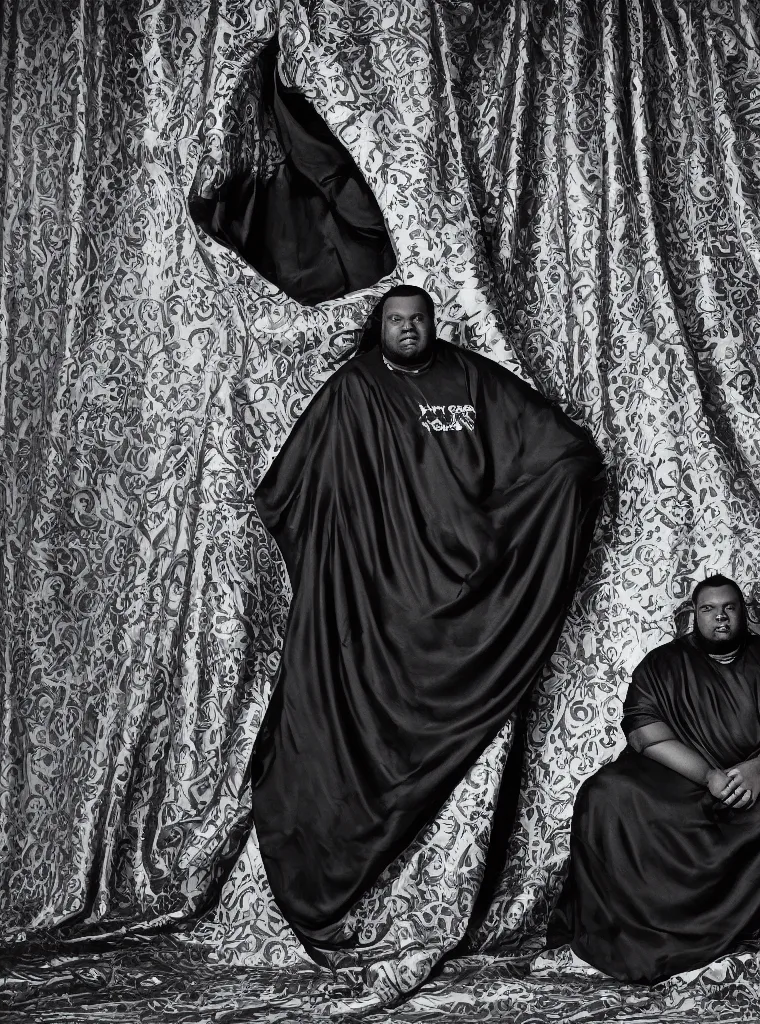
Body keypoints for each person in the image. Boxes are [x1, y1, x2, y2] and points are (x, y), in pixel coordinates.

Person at [250, 284, 605, 952]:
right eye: (396, 321)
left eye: (418, 321)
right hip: (376, 593)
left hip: (466, 582)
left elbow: (557, 448)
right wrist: (343, 540)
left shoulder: (471, 380)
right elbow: (287, 489)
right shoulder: (354, 390)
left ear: (433, 325)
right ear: (378, 327)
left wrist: (547, 492)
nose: (408, 330)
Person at [547, 574, 760, 983]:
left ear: (743, 613)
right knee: (604, 793)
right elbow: (643, 732)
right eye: (709, 609)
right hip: (685, 784)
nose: (720, 616)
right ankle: (648, 924)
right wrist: (708, 775)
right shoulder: (662, 664)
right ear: (693, 615)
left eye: (729, 607)